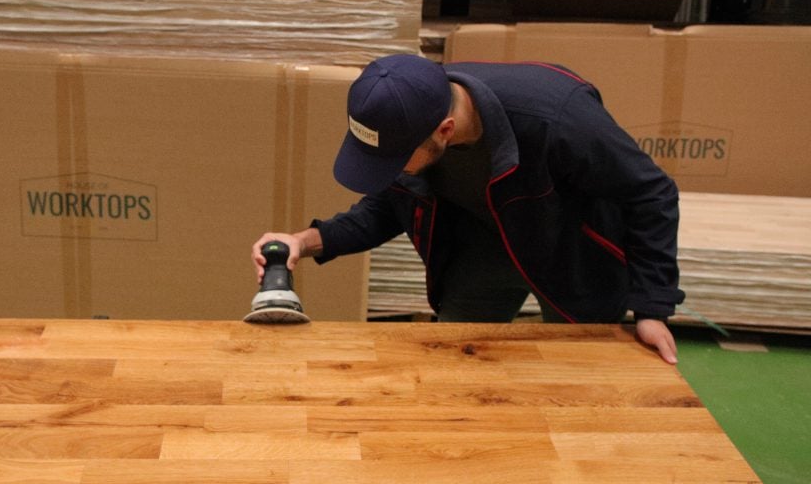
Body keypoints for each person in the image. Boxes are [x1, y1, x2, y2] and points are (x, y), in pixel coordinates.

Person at [252, 54, 685, 364]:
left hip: (570, 250)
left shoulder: (559, 118)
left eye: (392, 161)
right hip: (481, 246)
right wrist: (300, 242)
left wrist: (652, 307)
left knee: (580, 373)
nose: (387, 172)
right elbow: (384, 208)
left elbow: (653, 193)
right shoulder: (411, 107)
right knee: (454, 362)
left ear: (445, 130)